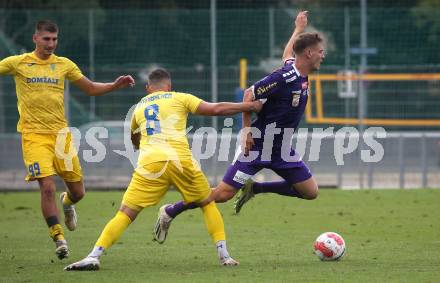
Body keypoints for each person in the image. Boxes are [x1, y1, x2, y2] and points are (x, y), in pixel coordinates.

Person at [63, 68, 262, 271]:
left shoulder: (139, 107)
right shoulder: (180, 97)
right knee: (208, 203)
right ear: (169, 86)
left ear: (148, 88)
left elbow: (134, 138)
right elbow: (217, 109)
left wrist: (142, 144)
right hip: (181, 161)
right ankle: (224, 256)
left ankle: (93, 255)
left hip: (151, 163)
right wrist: (250, 105)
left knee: (126, 213)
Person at [154, 11, 323, 239]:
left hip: (281, 148)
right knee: (222, 194)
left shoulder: (298, 71)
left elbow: (287, 53)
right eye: (321, 52)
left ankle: (256, 188)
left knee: (310, 192)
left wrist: (298, 30)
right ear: (309, 53)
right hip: (257, 146)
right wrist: (246, 131)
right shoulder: (284, 77)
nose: (323, 56)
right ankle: (170, 211)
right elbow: (249, 93)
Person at [0, 20, 135, 260]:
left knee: (78, 192)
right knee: (47, 186)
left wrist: (114, 85)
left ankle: (67, 203)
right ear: (35, 39)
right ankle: (59, 237)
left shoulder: (63, 65)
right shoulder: (18, 63)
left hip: (61, 137)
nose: (51, 43)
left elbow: (91, 88)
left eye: (54, 39)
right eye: (46, 39)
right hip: (33, 136)